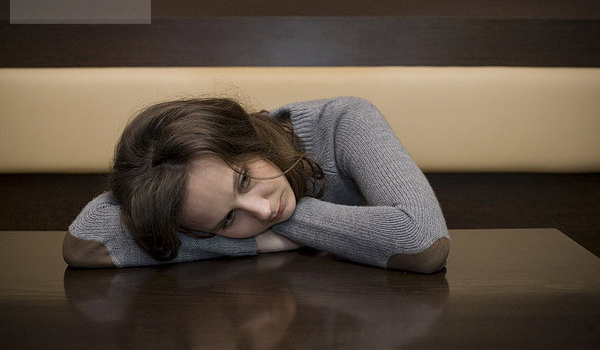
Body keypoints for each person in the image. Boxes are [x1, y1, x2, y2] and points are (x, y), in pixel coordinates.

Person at [63, 96, 450, 273]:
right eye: (228, 220)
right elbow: (85, 246)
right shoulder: (177, 191)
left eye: (244, 179)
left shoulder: (343, 123)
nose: (265, 210)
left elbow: (422, 244)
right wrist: (258, 240)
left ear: (248, 137)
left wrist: (284, 227)